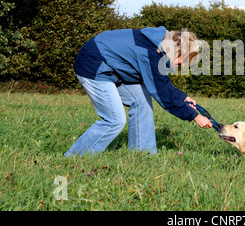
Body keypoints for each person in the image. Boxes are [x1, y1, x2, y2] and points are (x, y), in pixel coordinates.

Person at [64, 26, 212, 156]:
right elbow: (162, 94)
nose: (183, 64)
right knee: (115, 120)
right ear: (177, 50)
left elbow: (162, 84)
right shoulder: (150, 53)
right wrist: (194, 116)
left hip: (113, 68)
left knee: (141, 100)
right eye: (184, 59)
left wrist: (183, 97)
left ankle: (142, 154)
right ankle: (75, 157)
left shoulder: (157, 46)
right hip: (94, 67)